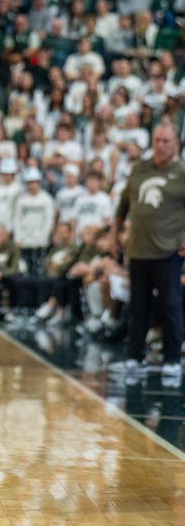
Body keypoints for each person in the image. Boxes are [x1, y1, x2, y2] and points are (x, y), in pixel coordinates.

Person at [109, 123, 185, 383]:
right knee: (137, 306)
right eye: (157, 140)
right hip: (138, 250)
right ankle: (134, 356)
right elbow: (123, 205)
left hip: (168, 250)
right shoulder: (139, 169)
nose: (161, 145)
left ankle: (172, 358)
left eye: (166, 141)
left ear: (176, 144)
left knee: (170, 304)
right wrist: (114, 234)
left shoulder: (182, 172)